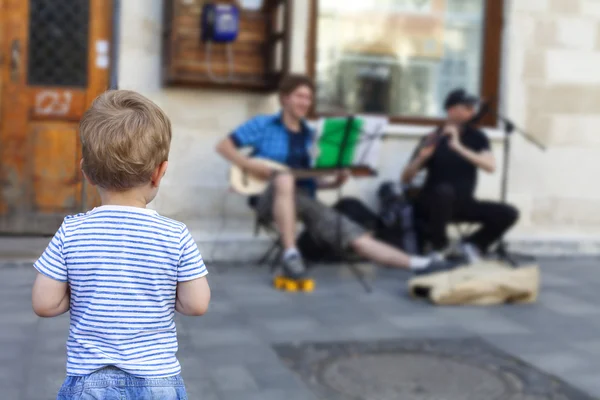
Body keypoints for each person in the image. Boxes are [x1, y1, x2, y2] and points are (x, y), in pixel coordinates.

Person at [31, 90, 210, 400]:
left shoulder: (71, 232)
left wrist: (82, 293)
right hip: (158, 381)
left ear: (86, 172)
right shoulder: (175, 235)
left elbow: (44, 304)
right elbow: (196, 304)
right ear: (159, 173)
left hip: (90, 380)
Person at [216, 74, 452, 279]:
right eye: (299, 96)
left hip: (302, 198)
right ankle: (291, 253)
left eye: (308, 98)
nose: (304, 102)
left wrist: (334, 181)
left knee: (353, 235)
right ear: (285, 97)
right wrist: (249, 165)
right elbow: (224, 146)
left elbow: (310, 179)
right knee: (284, 178)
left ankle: (418, 263)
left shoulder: (312, 135)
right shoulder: (263, 124)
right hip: (265, 197)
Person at [401, 88, 519, 262]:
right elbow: (405, 178)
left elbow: (490, 166)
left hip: (463, 203)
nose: (473, 110)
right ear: (451, 110)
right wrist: (420, 159)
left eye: (473, 107)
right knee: (444, 192)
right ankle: (438, 247)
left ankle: (474, 245)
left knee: (509, 213)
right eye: (467, 107)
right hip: (432, 203)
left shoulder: (477, 137)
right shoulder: (433, 137)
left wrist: (458, 147)